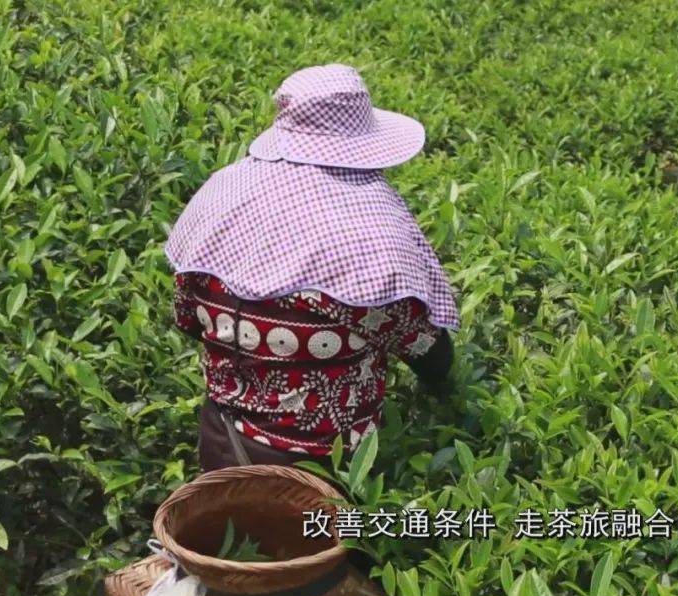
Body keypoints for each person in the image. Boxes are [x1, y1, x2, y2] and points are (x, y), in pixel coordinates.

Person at [165, 64, 460, 472]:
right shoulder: (372, 233)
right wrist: (449, 391)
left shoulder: (221, 193)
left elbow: (186, 315)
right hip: (329, 464)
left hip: (222, 444)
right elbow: (426, 348)